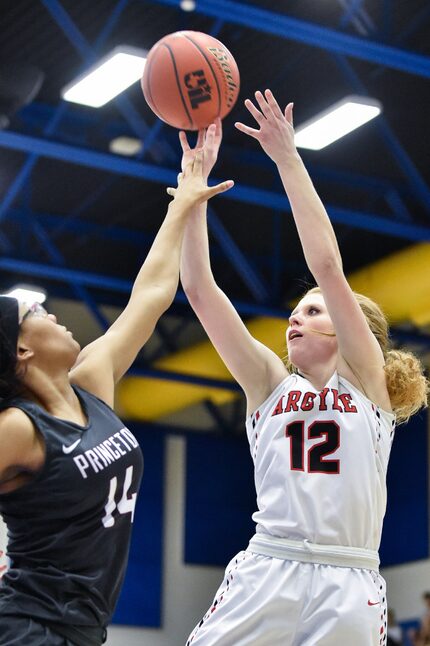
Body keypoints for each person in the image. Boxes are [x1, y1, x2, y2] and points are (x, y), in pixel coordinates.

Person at [177, 91, 429, 645]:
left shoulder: (365, 384)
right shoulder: (268, 383)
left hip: (350, 577)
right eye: (294, 311)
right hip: (270, 564)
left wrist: (287, 158)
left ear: (346, 330)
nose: (294, 319)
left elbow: (326, 264)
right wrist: (192, 200)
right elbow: (198, 289)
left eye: (311, 311)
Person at [0, 150, 233, 646]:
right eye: (35, 312)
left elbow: (151, 294)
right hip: (27, 627)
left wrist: (184, 203)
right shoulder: (19, 428)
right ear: (21, 349)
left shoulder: (92, 384)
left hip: (81, 630)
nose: (50, 312)